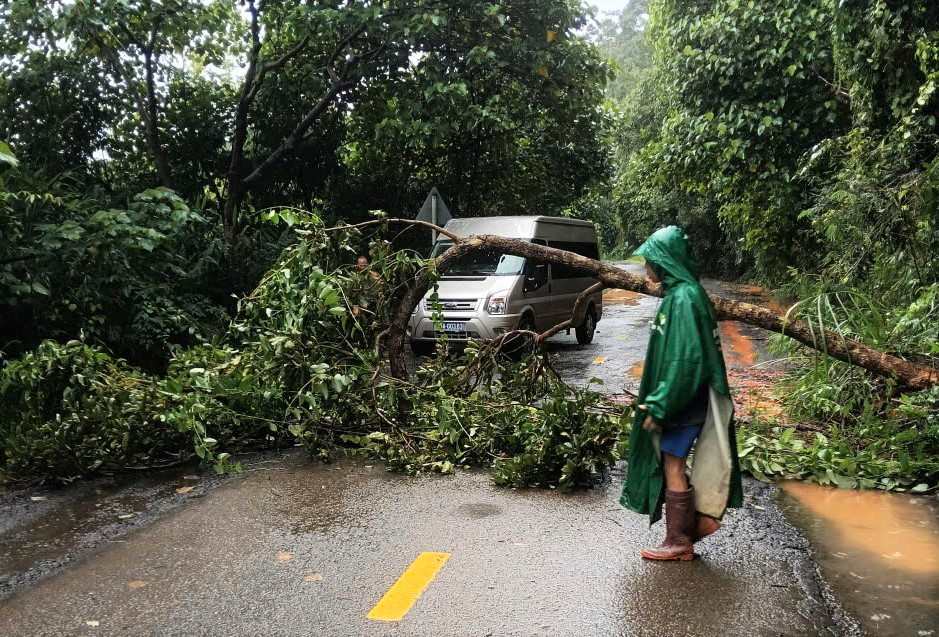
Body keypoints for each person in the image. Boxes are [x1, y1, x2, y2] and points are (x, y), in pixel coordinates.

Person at [620, 226, 743, 561]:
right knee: (671, 460)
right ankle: (692, 526)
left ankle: (679, 541)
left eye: (651, 260)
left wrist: (661, 405)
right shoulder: (683, 295)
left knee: (672, 463)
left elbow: (686, 359)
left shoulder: (684, 299)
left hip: (684, 400)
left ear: (665, 262)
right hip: (685, 397)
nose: (647, 268)